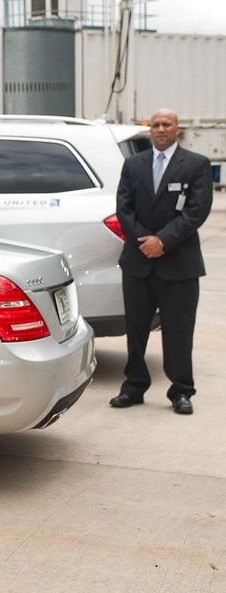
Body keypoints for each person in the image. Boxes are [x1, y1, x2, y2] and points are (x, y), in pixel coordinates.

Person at [110, 108, 212, 415]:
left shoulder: (196, 165)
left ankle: (181, 390)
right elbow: (123, 208)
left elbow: (197, 211)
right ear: (149, 129)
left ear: (177, 129)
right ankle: (134, 387)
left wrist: (163, 241)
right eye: (155, 124)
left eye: (167, 124)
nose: (160, 129)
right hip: (139, 263)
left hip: (179, 265)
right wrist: (144, 241)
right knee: (136, 328)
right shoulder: (133, 165)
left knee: (179, 330)